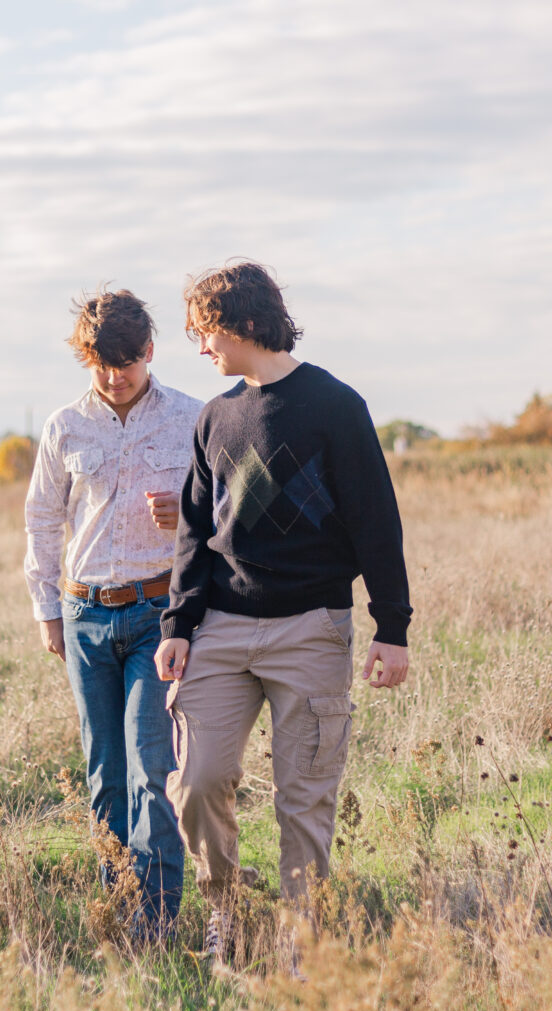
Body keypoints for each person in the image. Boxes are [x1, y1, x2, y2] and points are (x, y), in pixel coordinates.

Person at [154, 262, 412, 960]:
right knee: (197, 782)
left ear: (240, 324)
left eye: (204, 333)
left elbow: (375, 522)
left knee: (303, 802)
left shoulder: (334, 406)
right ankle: (226, 919)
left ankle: (305, 949)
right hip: (222, 632)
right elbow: (194, 531)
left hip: (311, 630)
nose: (201, 348)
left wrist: (393, 628)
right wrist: (179, 624)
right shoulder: (215, 417)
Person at [25, 288, 203, 937]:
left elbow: (238, 514)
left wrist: (189, 515)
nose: (113, 376)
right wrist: (48, 612)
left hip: (161, 613)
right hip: (84, 616)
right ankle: (117, 906)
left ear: (149, 351)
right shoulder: (64, 427)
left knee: (152, 768)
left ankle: (154, 921)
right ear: (85, 360)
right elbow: (42, 521)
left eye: (126, 362)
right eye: (100, 364)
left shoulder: (193, 418)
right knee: (105, 773)